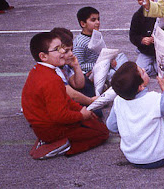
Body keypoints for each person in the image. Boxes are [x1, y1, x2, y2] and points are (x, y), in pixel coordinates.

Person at [21, 31, 109, 159]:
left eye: (62, 47)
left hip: (43, 126)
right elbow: (60, 116)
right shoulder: (51, 80)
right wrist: (81, 115)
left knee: (94, 121)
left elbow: (65, 99)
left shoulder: (38, 70)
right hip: (51, 129)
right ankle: (59, 146)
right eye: (57, 49)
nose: (63, 51)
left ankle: (49, 140)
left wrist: (81, 109)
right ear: (43, 56)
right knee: (102, 133)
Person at [107, 62, 164, 169]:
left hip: (132, 158)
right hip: (158, 158)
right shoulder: (153, 98)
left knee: (161, 130)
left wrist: (130, 129)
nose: (144, 70)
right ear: (140, 87)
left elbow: (111, 126)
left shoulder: (118, 100)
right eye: (142, 72)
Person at [73, 6, 128, 78]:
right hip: (95, 70)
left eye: (98, 19)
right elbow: (79, 65)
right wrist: (104, 64)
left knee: (121, 57)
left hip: (105, 64)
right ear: (83, 24)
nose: (98, 22)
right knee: (116, 73)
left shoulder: (96, 35)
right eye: (93, 20)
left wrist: (111, 58)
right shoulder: (79, 43)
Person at [51, 27, 99, 109]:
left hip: (60, 102)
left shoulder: (64, 65)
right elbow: (72, 95)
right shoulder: (54, 69)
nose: (71, 54)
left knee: (86, 84)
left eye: (71, 50)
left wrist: (76, 66)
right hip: (52, 107)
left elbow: (79, 85)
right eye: (66, 51)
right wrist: (91, 101)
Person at [129, 0, 159, 77]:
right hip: (146, 51)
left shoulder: (161, 12)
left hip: (161, 51)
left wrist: (159, 38)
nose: (147, 1)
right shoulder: (138, 16)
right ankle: (152, 68)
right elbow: (133, 36)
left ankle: (156, 68)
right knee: (138, 72)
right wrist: (142, 40)